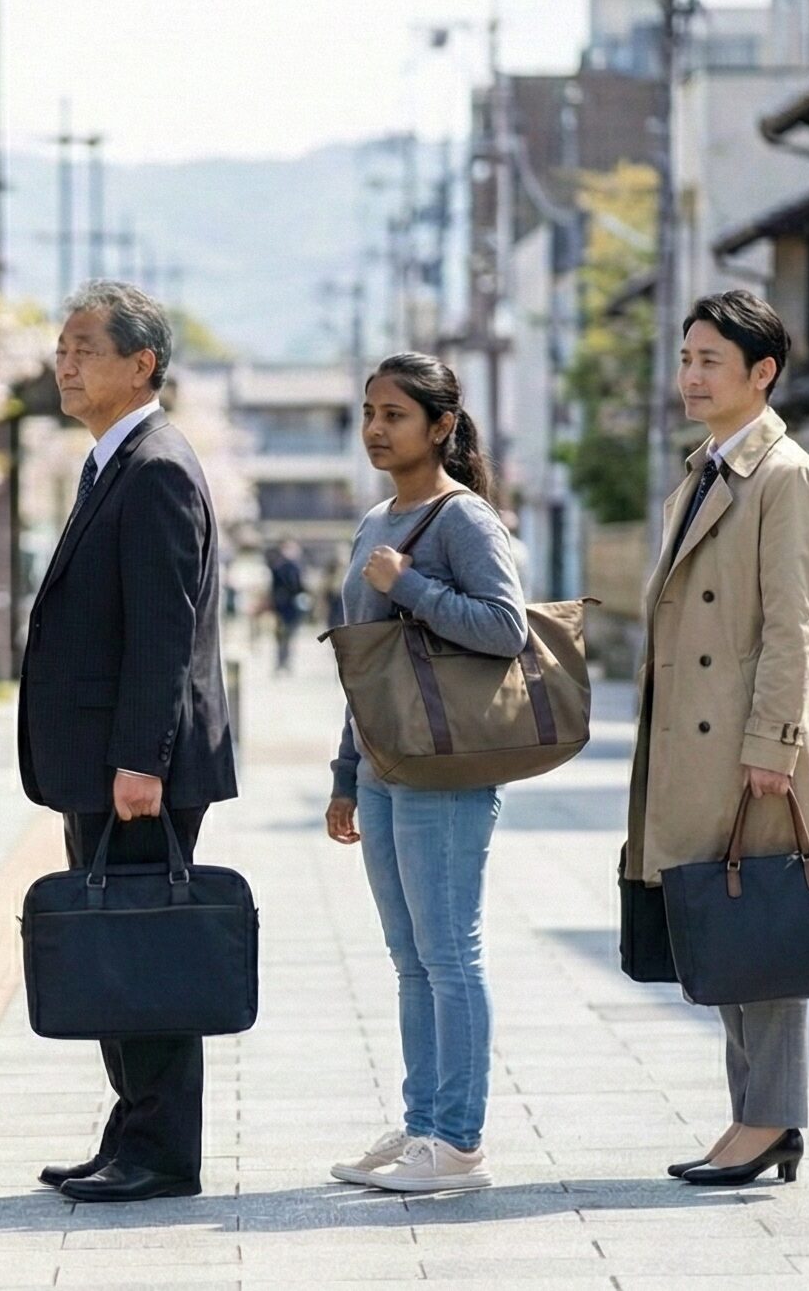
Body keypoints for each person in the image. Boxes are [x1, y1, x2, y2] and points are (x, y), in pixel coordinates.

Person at [19, 281, 237, 1204]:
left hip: (137, 765)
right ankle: (133, 1131)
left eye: (83, 349)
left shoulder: (154, 467)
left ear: (140, 364)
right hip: (110, 759)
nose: (64, 364)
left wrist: (140, 761)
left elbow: (162, 630)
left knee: (145, 949)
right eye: (61, 348)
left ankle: (160, 1150)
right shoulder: (117, 460)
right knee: (121, 944)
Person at [628, 290, 809, 1187]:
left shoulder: (787, 475)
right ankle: (751, 1115)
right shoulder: (704, 471)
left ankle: (772, 1119)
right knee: (727, 929)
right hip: (701, 746)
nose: (691, 376)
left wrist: (772, 741)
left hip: (757, 749)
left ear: (763, 373)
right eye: (686, 359)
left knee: (766, 928)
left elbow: (796, 626)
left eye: (711, 360)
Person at [322, 353, 528, 1194]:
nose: (376, 429)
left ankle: (459, 1142)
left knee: (449, 955)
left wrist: (411, 588)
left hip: (446, 766)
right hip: (382, 763)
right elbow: (363, 665)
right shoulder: (377, 521)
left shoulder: (462, 520)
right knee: (411, 958)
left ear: (440, 426)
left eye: (395, 415)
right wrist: (344, 774)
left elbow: (508, 628)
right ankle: (423, 1125)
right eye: (369, 413)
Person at [268, 540, 309, 674]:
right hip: (282, 606)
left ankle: (285, 661)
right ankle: (281, 661)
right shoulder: (280, 567)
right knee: (282, 636)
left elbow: (300, 587)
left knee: (290, 636)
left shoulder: (297, 567)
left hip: (292, 607)